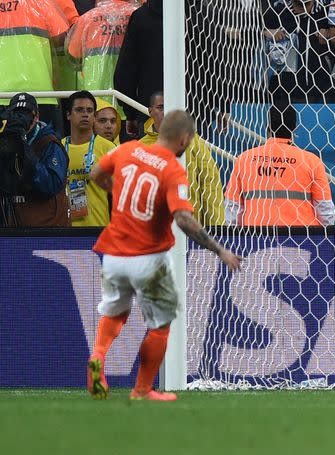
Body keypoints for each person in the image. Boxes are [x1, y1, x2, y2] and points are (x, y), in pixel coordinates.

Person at [86, 110, 242, 401]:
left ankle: (98, 356)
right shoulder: (172, 170)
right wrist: (219, 249)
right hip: (148, 258)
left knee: (115, 312)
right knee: (160, 326)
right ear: (184, 139)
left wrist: (117, 190)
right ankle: (142, 389)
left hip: (113, 254)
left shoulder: (129, 148)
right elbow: (183, 219)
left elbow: (95, 174)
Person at [224, 104, 335, 226]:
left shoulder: (244, 159)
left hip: (257, 237)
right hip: (302, 238)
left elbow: (232, 208)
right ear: (294, 128)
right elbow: (325, 211)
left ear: (268, 126)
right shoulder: (311, 161)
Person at [139, 92, 224, 226]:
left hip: (189, 228)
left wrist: (216, 227)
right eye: (160, 107)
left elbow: (210, 183)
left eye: (170, 107)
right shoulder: (140, 147)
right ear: (150, 111)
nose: (165, 112)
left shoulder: (192, 141)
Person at [1, 93, 70, 228]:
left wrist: (23, 149)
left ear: (37, 116)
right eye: (16, 114)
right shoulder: (8, 140)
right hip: (16, 228)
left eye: (26, 114)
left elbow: (52, 184)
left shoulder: (50, 143)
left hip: (48, 231)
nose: (21, 119)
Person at [0, 0, 70, 131]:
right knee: (44, 146)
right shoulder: (42, 3)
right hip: (40, 93)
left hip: (2, 94)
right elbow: (62, 38)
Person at [66, 0, 140, 107]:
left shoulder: (87, 18)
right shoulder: (137, 15)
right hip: (131, 101)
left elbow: (73, 54)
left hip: (96, 99)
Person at [263, 0, 335, 104]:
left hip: (322, 89)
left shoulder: (327, 10)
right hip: (285, 91)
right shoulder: (278, 12)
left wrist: (330, 33)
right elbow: (251, 32)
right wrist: (265, 32)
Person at [61, 91, 114, 226]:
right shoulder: (58, 147)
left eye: (89, 111)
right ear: (68, 115)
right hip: (64, 231)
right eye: (79, 110)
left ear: (94, 116)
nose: (85, 114)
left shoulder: (108, 148)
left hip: (98, 229)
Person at [113, 0, 162, 138]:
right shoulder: (202, 15)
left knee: (152, 158)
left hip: (148, 111)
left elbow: (126, 69)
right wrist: (220, 108)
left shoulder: (142, 17)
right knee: (194, 157)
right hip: (195, 113)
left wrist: (131, 112)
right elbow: (216, 63)